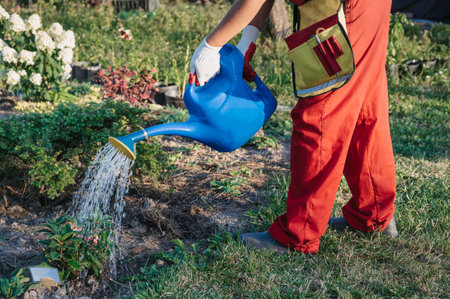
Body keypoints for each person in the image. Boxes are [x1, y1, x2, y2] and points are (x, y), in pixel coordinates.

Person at [189, 0, 398, 254]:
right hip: (367, 8)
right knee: (365, 104)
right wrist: (247, 40)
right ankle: (374, 213)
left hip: (341, 10)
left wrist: (210, 46)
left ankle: (299, 233)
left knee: (321, 112)